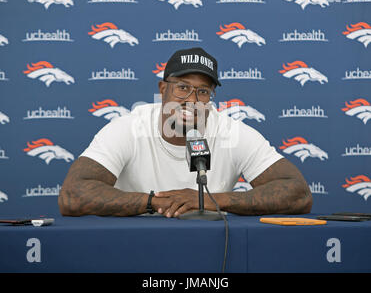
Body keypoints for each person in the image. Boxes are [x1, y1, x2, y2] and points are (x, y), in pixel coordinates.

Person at [58, 47, 312, 218]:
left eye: (202, 91)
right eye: (182, 87)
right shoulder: (130, 127)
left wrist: (216, 200)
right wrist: (153, 202)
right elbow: (72, 195)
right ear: (163, 89)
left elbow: (298, 193)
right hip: (135, 245)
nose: (191, 100)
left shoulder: (231, 131)